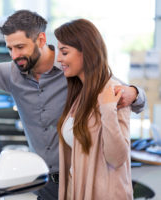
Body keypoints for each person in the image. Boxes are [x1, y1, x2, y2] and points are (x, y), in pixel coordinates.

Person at [0, 10, 145, 200]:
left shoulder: (72, 70)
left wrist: (134, 93)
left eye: (20, 47)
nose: (15, 55)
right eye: (10, 48)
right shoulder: (12, 73)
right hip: (46, 183)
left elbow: (117, 93)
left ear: (40, 40)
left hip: (81, 180)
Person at [55, 19, 133, 200]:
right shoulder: (78, 93)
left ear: (86, 52)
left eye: (64, 52)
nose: (59, 58)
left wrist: (107, 109)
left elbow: (117, 158)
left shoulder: (113, 92)